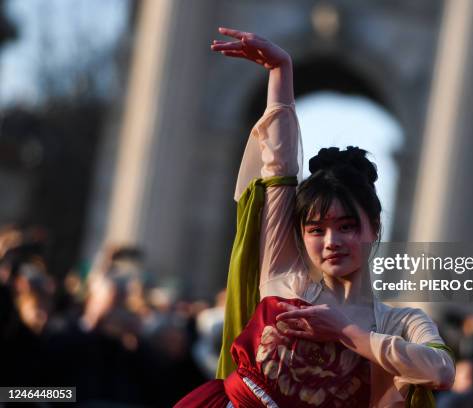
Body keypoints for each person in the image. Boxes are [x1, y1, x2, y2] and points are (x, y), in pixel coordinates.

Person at [174, 27, 455, 408]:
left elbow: (441, 371)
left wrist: (346, 331)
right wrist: (281, 73)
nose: (330, 242)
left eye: (346, 227)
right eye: (316, 229)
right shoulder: (284, 274)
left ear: (374, 228)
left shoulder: (400, 322)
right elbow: (279, 171)